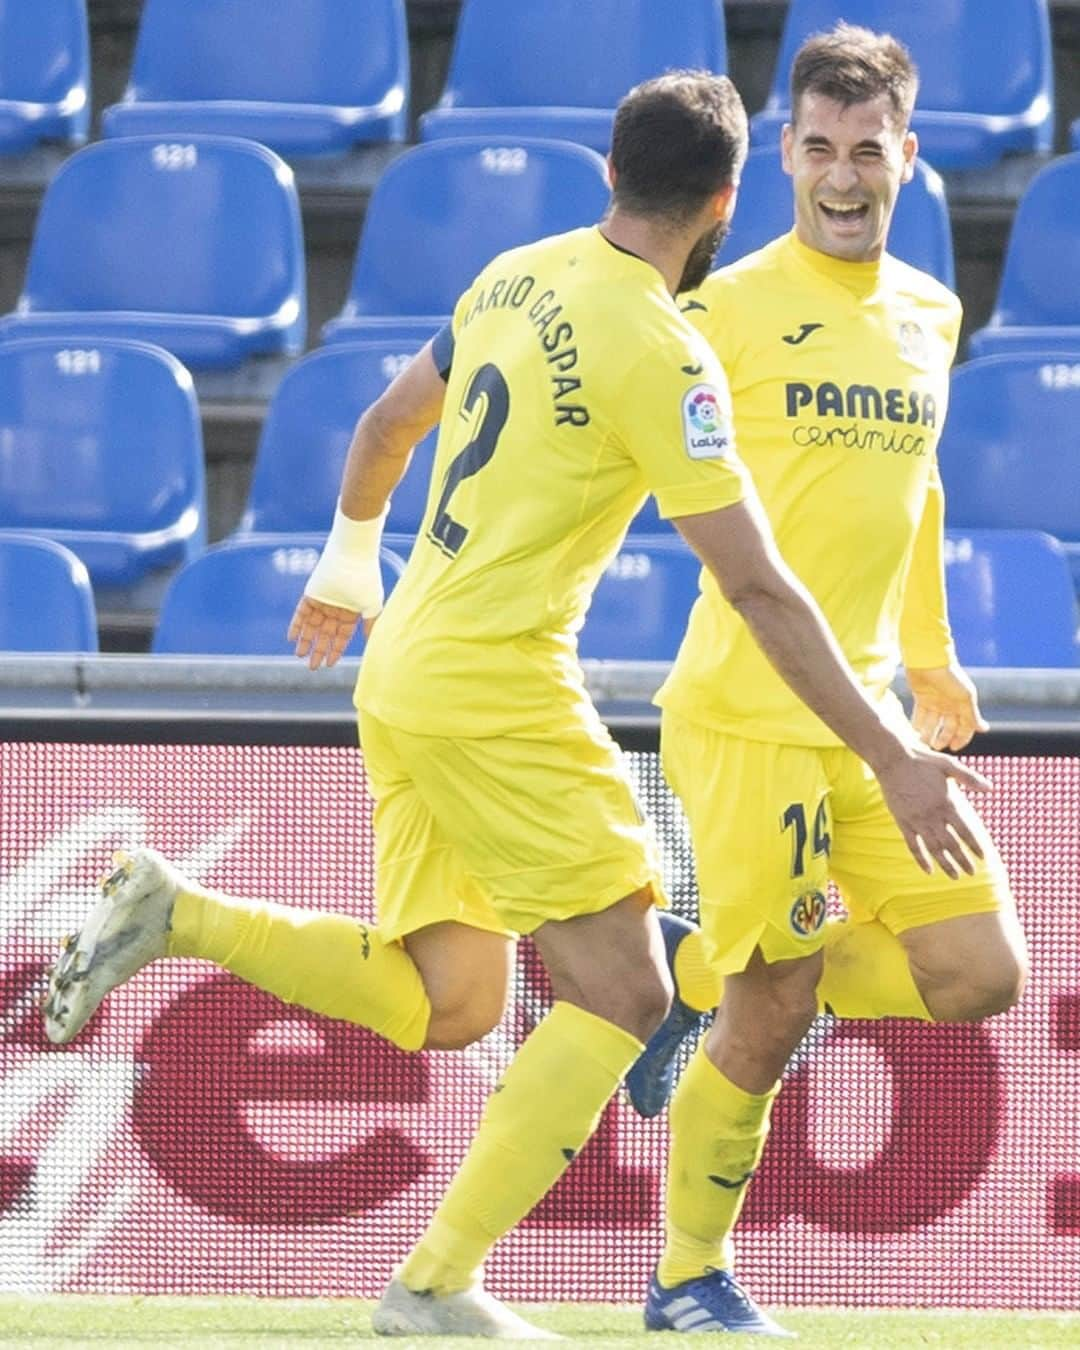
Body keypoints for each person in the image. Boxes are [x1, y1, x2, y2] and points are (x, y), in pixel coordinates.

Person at [44, 70, 987, 1340]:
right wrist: (894, 750)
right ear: (725, 201)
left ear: (609, 175)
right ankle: (431, 1287)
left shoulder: (516, 270)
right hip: (499, 683)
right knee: (632, 995)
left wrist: (345, 563)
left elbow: (384, 423)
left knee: (455, 1000)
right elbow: (759, 587)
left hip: (405, 665)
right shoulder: (669, 351)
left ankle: (182, 913)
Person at [627, 26, 1030, 1338]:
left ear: (909, 157)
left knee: (982, 970)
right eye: (819, 148)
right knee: (781, 1005)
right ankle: (687, 1275)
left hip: (871, 718)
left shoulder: (932, 308)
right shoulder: (719, 309)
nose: (843, 176)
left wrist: (930, 654)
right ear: (784, 154)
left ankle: (707, 973)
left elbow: (914, 489)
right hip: (747, 718)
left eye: (869, 150)